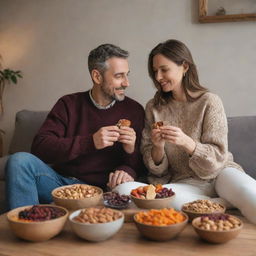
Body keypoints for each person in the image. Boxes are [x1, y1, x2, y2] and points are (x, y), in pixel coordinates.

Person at [114, 39, 256, 224]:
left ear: (185, 66)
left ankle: (219, 201)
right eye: (155, 71)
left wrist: (187, 143)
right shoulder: (154, 108)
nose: (158, 77)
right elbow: (154, 169)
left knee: (250, 193)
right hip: (185, 183)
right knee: (123, 191)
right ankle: (220, 204)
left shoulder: (209, 101)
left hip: (221, 173)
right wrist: (157, 147)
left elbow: (218, 158)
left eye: (164, 70)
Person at [5, 43, 145, 210]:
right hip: (62, 185)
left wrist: (128, 159)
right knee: (19, 161)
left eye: (127, 75)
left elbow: (141, 165)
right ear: (97, 76)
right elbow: (40, 147)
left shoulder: (134, 110)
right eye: (119, 76)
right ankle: (28, 227)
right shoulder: (68, 104)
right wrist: (90, 142)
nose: (126, 83)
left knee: (127, 186)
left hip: (107, 190)